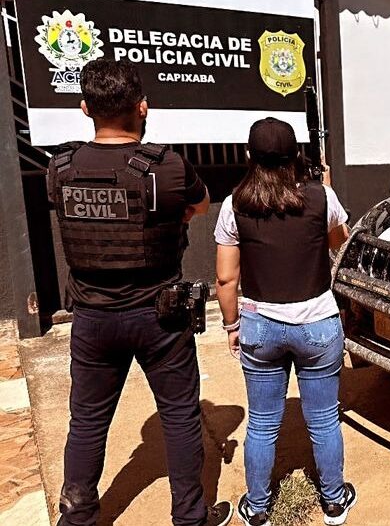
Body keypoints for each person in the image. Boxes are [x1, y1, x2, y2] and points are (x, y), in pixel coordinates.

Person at [48, 59, 232, 526]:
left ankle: (77, 518)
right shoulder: (165, 166)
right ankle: (191, 517)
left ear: (85, 107)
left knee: (87, 421)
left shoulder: (61, 167)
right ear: (142, 108)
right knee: (179, 415)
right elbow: (201, 202)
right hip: (160, 317)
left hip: (90, 317)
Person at [214, 118, 354, 526]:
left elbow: (226, 278)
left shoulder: (233, 203)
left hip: (260, 325)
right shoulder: (320, 196)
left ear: (247, 156)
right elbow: (338, 243)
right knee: (325, 419)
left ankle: (257, 508)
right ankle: (333, 501)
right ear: (295, 156)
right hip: (318, 324)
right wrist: (324, 194)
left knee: (261, 423)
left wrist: (230, 325)